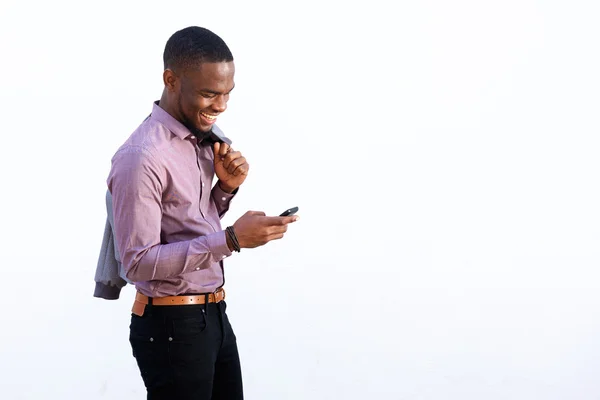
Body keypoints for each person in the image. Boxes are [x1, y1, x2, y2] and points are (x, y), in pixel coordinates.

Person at [106, 26, 299, 400]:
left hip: (212, 314)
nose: (222, 105)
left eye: (227, 93)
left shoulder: (200, 141)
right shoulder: (141, 158)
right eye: (210, 94)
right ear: (171, 80)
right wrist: (231, 240)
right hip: (170, 326)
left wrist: (224, 189)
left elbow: (184, 224)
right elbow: (137, 263)